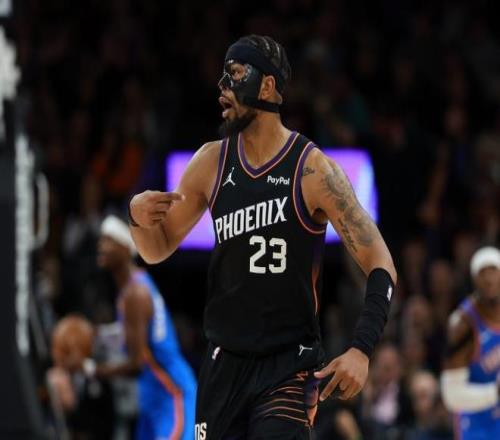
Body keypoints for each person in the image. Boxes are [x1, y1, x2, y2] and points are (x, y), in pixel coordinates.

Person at [129, 35, 397, 439]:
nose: (222, 87)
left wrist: (361, 347)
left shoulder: (312, 170)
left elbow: (381, 262)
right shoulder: (210, 162)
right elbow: (156, 249)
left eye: (235, 75)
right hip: (224, 363)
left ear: (268, 86)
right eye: (223, 77)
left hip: (288, 365)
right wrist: (137, 219)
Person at [91, 215, 197, 440]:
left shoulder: (135, 294)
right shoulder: (132, 288)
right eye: (101, 240)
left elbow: (136, 364)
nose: (101, 246)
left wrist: (92, 370)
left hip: (171, 393)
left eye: (108, 240)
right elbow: (132, 336)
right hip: (152, 397)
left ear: (125, 248)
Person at [441, 246, 500, 439]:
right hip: (476, 428)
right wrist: (495, 392)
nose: (489, 279)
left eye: (493, 271)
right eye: (483, 273)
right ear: (474, 279)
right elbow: (451, 396)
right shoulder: (462, 325)